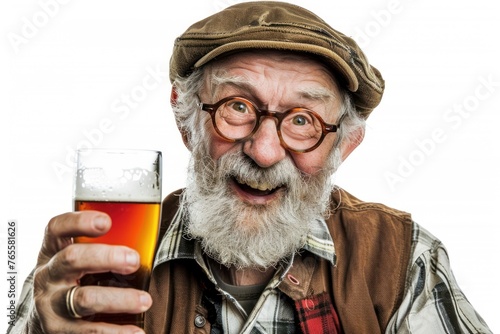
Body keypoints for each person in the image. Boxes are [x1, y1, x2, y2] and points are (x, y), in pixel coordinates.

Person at [8, 2, 492, 333]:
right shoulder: (92, 264)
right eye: (237, 107)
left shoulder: (401, 259)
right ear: (186, 120)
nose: (264, 151)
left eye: (302, 120)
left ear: (344, 146)